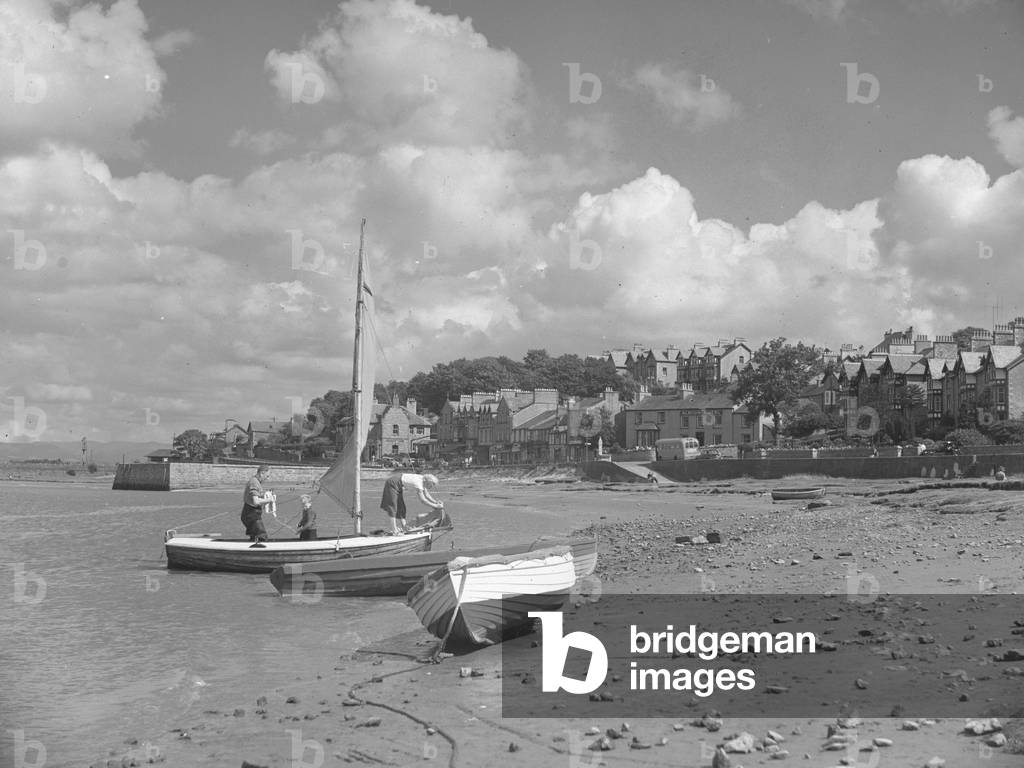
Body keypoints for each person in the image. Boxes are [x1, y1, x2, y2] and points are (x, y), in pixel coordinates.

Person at [241, 466, 273, 542]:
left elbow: (257, 498)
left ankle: (251, 550)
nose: (267, 479)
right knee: (262, 536)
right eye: (267, 476)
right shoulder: (254, 482)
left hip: (251, 513)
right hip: (251, 514)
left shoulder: (256, 482)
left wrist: (265, 496)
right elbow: (256, 501)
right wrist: (269, 500)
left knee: (255, 537)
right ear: (262, 473)